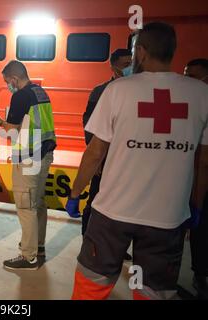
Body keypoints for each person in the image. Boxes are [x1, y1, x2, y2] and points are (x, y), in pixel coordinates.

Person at [66, 22, 208, 300]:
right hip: (168, 216)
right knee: (153, 290)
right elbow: (203, 161)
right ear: (172, 51)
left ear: (140, 52)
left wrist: (75, 192)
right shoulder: (201, 94)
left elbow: (95, 152)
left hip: (112, 212)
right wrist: (196, 204)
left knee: (91, 283)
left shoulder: (119, 89)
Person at [0, 60, 56, 270]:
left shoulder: (20, 95)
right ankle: (38, 246)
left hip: (28, 158)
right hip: (44, 154)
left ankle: (29, 257)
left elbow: (12, 133)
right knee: (37, 203)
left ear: (15, 79)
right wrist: (1, 122)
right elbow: (25, 124)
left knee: (25, 206)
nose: (8, 85)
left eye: (7, 81)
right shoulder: (40, 92)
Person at [82, 48, 133, 261]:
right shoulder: (101, 91)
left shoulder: (136, 90)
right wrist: (97, 157)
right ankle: (87, 242)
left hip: (127, 161)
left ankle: (118, 248)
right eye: (125, 63)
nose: (130, 67)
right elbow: (89, 126)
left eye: (132, 62)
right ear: (113, 67)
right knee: (95, 201)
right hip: (104, 159)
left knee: (124, 204)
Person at [184, 58, 208, 299]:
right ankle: (199, 274)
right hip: (189, 176)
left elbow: (204, 160)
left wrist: (197, 200)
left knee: (200, 231)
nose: (187, 80)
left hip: (197, 180)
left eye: (192, 76)